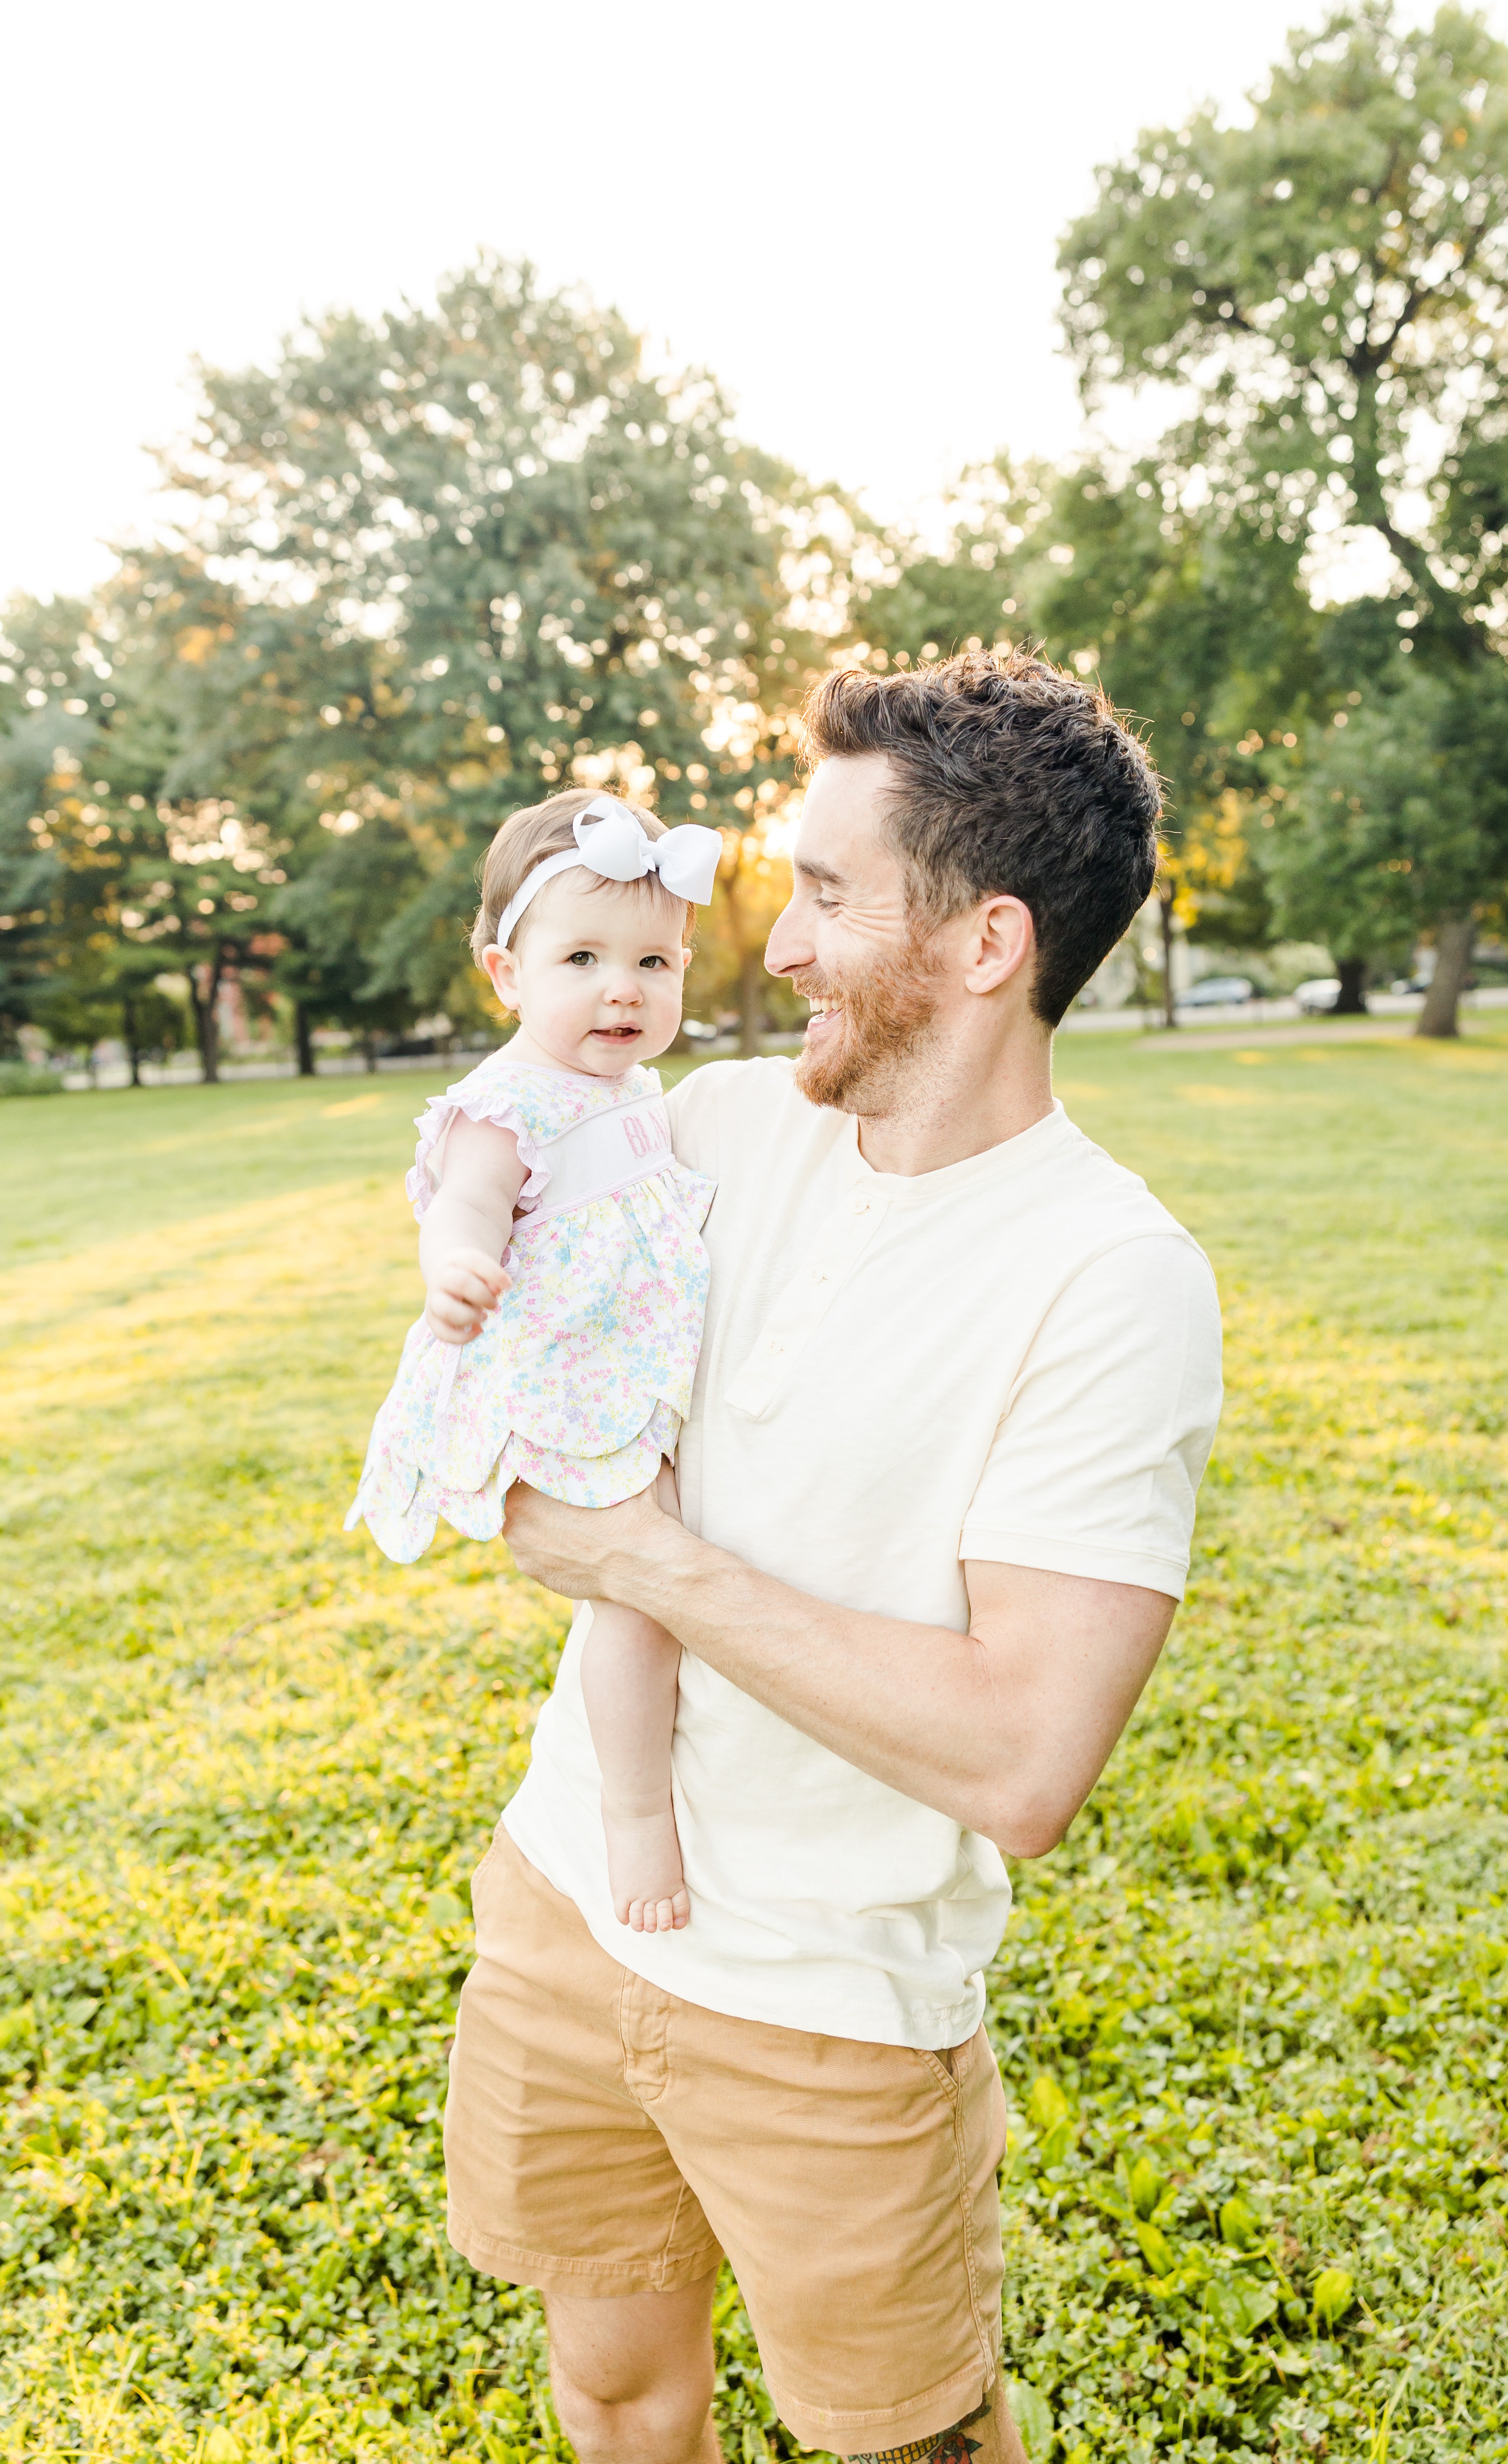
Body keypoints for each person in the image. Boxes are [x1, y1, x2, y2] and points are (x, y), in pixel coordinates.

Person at [443, 648, 1223, 2464]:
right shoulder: (708, 1132)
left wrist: (648, 1562)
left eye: (830, 895)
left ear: (983, 947)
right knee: (618, 2394)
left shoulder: (1109, 1279)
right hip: (569, 1902)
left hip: (831, 2015)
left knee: (910, 2447)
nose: (775, 947)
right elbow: (490, 1216)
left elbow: (1028, 1762)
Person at [346, 789, 723, 1931]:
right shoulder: (505, 1102)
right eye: (583, 958)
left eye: (654, 960)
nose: (625, 987)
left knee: (666, 1570)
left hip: (635, 1362)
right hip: (565, 1377)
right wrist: (455, 1268)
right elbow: (461, 1209)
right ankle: (635, 1816)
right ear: (506, 974)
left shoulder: (634, 1090)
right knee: (641, 1597)